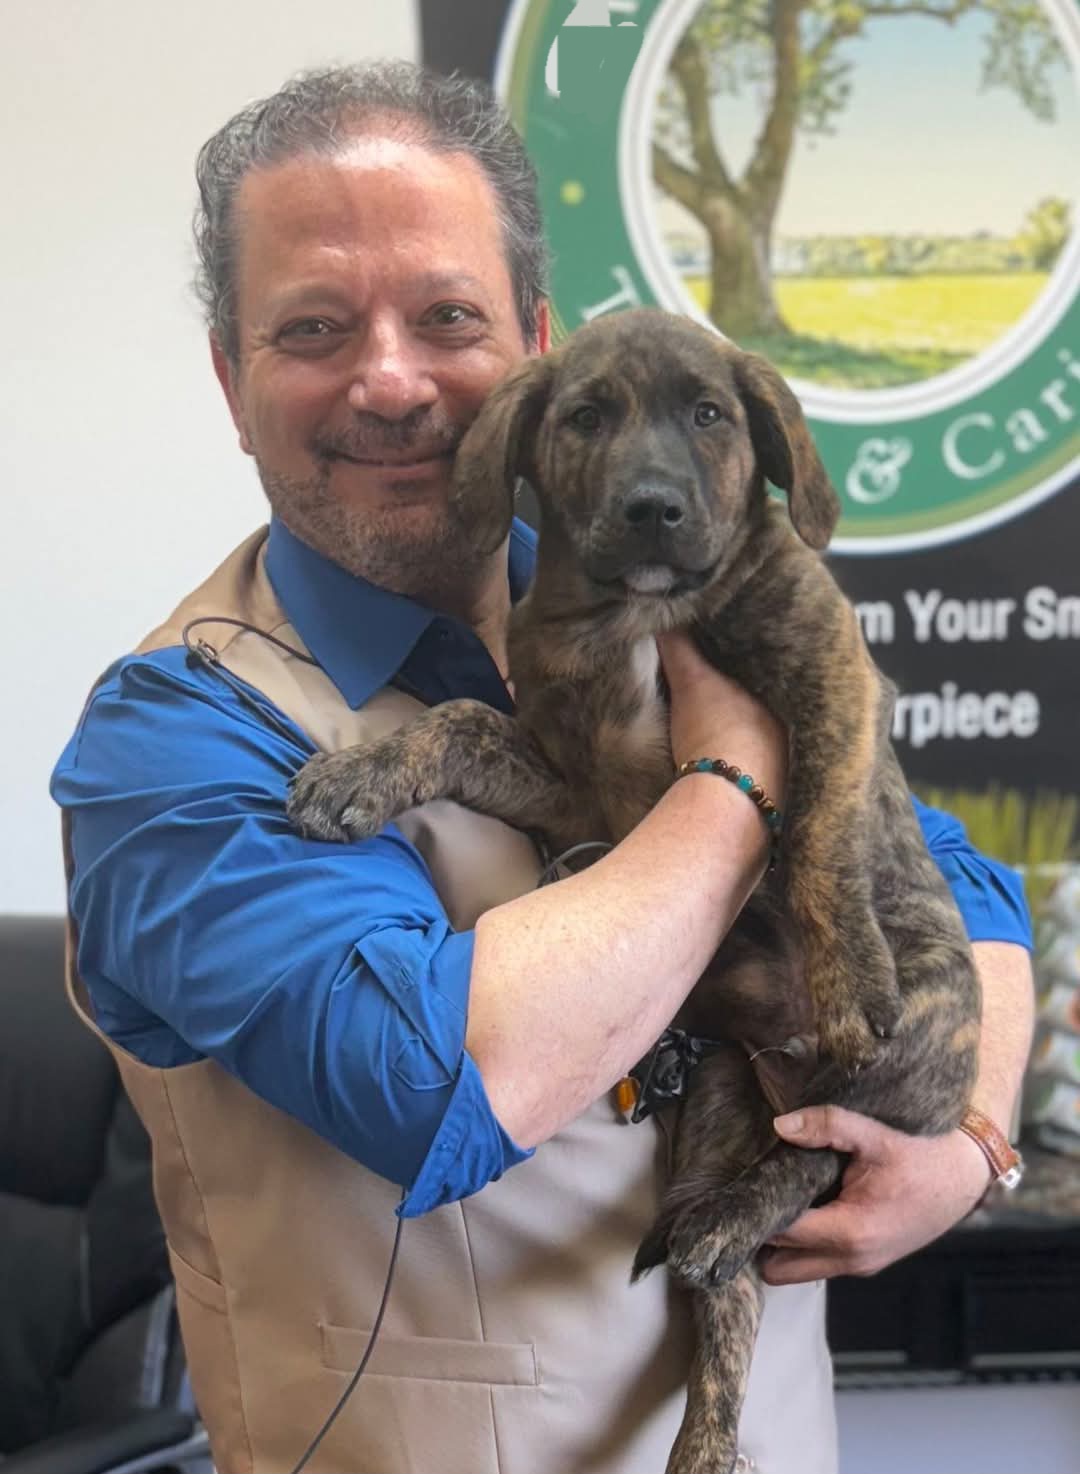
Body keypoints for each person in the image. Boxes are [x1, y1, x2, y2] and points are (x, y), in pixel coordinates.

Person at [51, 61, 1034, 1474]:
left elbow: (967, 886)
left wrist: (969, 1150)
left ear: (536, 345)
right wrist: (736, 773)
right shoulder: (173, 736)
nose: (391, 381)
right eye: (314, 327)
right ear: (232, 378)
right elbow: (432, 1078)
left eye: (447, 316)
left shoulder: (672, 590)